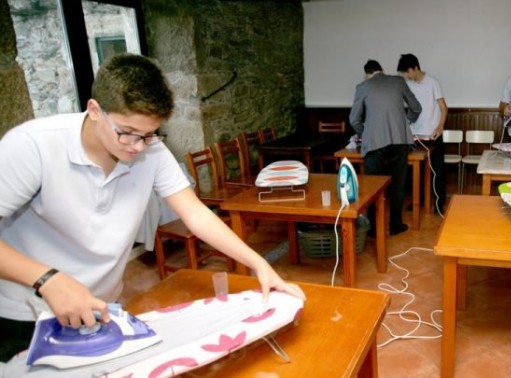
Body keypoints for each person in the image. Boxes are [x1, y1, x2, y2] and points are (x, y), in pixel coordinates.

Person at [0, 53, 305, 362]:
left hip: (100, 307)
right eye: (127, 133)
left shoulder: (151, 151)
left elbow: (195, 214)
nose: (137, 147)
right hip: (24, 314)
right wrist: (47, 279)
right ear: (94, 110)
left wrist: (259, 264)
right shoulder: (32, 146)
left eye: (149, 135)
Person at [349, 59, 421, 235]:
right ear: (382, 69)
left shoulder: (363, 86)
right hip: (400, 140)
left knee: (373, 186)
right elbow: (416, 108)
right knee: (397, 184)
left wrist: (364, 134)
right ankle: (396, 225)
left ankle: (374, 229)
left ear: (367, 74)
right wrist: (406, 122)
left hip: (374, 143)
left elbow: (354, 120)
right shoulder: (398, 81)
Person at [397, 53, 449, 215]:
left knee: (437, 171)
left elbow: (443, 107)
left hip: (432, 135)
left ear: (415, 68)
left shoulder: (433, 82)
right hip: (414, 135)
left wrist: (440, 127)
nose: (406, 75)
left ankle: (439, 203)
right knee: (416, 172)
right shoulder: (408, 85)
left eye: (407, 72)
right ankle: (417, 202)